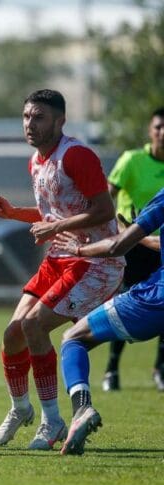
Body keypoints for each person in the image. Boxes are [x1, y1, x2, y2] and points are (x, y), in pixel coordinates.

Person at [0, 89, 124, 451]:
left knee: (34, 326)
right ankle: (20, 408)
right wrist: (13, 213)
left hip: (95, 261)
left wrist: (57, 227)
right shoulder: (36, 161)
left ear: (60, 121)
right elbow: (53, 214)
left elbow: (105, 211)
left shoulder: (76, 155)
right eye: (26, 116)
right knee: (13, 334)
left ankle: (53, 421)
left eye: (39, 117)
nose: (30, 124)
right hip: (60, 257)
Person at [51, 187, 164, 454]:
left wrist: (79, 248)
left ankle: (82, 408)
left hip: (155, 300)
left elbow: (116, 246)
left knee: (74, 338)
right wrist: (143, 241)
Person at [100, 107, 164, 392]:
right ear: (150, 130)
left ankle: (160, 369)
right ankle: (112, 369)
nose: (163, 132)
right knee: (125, 302)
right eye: (158, 127)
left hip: (161, 245)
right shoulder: (131, 160)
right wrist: (119, 228)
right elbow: (105, 198)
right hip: (133, 245)